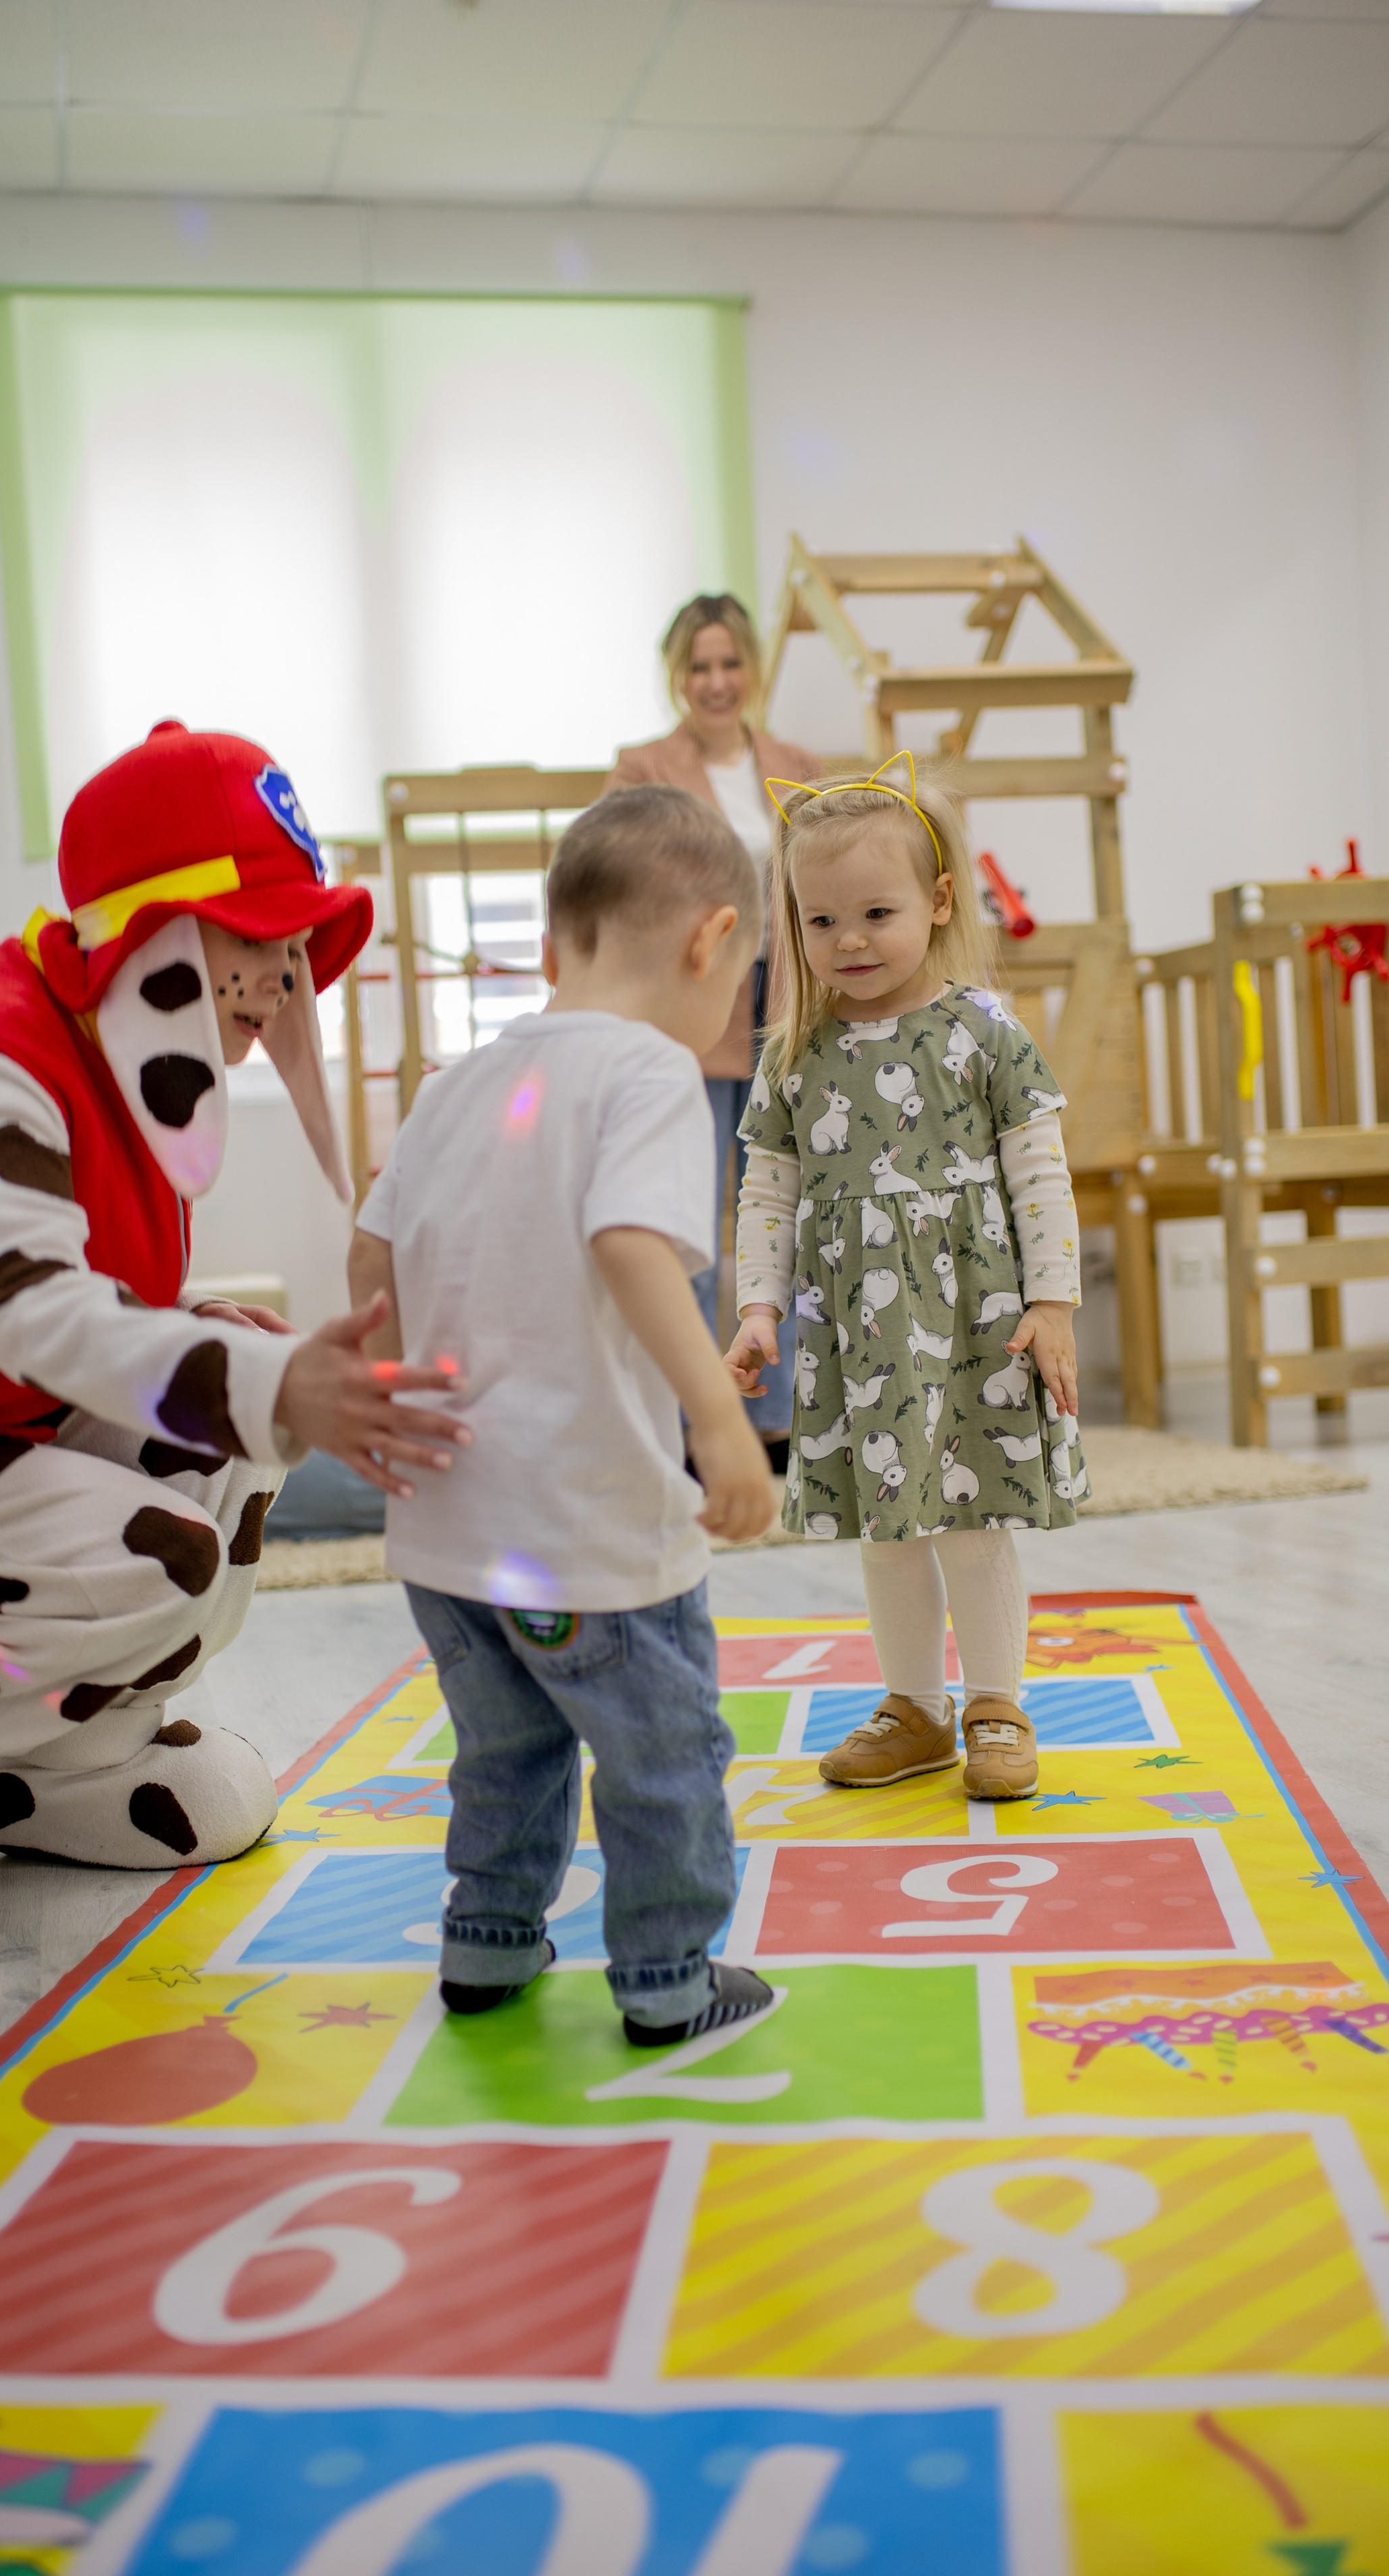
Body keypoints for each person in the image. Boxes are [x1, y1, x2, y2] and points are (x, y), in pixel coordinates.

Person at [0, 720, 468, 1922]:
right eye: (259, 934)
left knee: (220, 1424)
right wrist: (267, 1377)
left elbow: (108, 1323)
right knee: (148, 1551)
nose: (287, 970)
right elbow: (33, 1310)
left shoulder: (115, 1066)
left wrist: (252, 1372)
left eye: (295, 939)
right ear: (156, 941)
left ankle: (64, 1761)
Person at [348, 784, 780, 2046]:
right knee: (660, 1756)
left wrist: (382, 1399)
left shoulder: (452, 1085)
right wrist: (718, 1419)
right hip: (587, 1525)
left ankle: (487, 1944)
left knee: (506, 1749)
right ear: (712, 945)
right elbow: (636, 1243)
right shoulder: (649, 1075)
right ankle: (666, 1978)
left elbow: (369, 1266)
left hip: (449, 1531)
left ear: (552, 950)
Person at [724, 757, 1085, 1803]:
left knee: (973, 1511)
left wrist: (1053, 1301)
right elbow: (768, 1192)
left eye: (875, 912)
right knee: (886, 1523)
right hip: (858, 1334)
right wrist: (757, 1309)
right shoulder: (795, 1052)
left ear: (935, 904)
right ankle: (916, 1706)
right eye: (821, 921)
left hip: (978, 1319)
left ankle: (997, 1706)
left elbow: (1039, 1170)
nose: (848, 941)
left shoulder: (985, 1031)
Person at [606, 594, 823, 1457]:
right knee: (689, 1220)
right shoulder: (642, 766)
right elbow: (621, 872)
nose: (716, 681)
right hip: (691, 1011)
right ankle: (700, 1420)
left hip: (786, 1009)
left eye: (730, 663)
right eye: (698, 667)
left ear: (753, 672)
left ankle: (779, 1418)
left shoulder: (800, 766)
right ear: (675, 677)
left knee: (784, 1215)